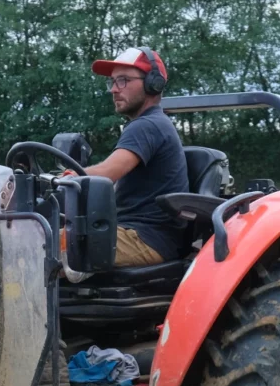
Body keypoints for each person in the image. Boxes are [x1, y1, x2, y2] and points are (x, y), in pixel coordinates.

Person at [62, 46, 189, 281]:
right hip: (134, 234)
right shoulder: (151, 125)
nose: (113, 89)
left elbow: (107, 173)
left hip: (144, 238)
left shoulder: (147, 126)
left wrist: (64, 179)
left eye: (123, 80)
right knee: (48, 239)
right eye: (112, 82)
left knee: (36, 249)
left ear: (153, 84)